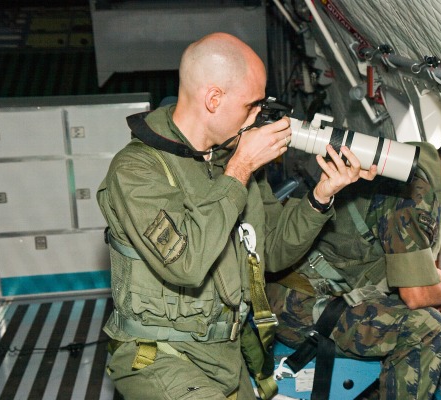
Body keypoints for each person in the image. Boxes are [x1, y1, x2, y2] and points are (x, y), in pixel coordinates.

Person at [96, 32, 376, 400]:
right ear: (213, 99)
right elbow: (187, 265)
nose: (259, 116)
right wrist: (241, 167)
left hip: (224, 356)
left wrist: (321, 196)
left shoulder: (230, 161)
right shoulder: (136, 171)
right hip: (159, 357)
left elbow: (271, 251)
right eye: (252, 105)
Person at [266, 129, 441, 399]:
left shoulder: (412, 165)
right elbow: (416, 295)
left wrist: (439, 289)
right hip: (298, 306)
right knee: (426, 328)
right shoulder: (416, 197)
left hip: (308, 292)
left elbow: (411, 262)